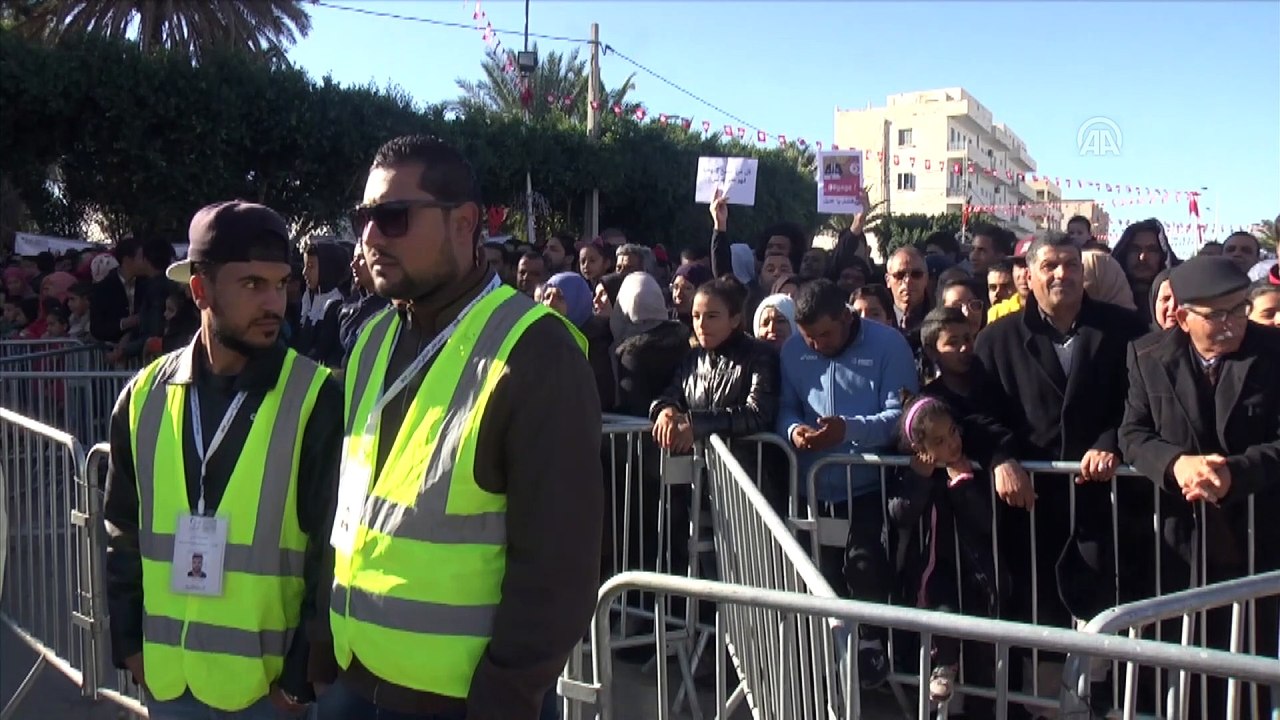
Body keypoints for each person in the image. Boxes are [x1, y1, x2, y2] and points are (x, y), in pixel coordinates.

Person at [316, 135, 602, 720]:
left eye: (393, 218)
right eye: (362, 218)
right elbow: (349, 507)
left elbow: (559, 566)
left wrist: (505, 698)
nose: (369, 237)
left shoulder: (537, 351)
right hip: (353, 683)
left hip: (465, 705)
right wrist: (324, 644)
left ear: (464, 224)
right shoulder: (371, 340)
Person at [102, 200, 342, 719]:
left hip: (268, 692)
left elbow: (332, 554)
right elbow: (123, 528)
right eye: (253, 284)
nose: (274, 302)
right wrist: (129, 647)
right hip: (168, 684)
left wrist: (300, 682)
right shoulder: (143, 395)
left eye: (281, 283)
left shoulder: (317, 398)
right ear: (200, 289)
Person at [1118, 255, 1279, 717]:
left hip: (1255, 536)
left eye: (1239, 310)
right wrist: (1175, 465)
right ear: (1183, 316)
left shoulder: (1273, 352)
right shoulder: (1148, 355)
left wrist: (1235, 473)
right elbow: (1133, 434)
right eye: (1216, 316)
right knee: (1179, 672)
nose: (1231, 325)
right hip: (1178, 540)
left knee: (1251, 668)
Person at [776, 278, 917, 688]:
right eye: (808, 338)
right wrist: (793, 431)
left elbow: (901, 417)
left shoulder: (890, 346)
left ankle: (871, 644)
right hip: (810, 487)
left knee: (867, 567)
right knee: (819, 579)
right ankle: (820, 669)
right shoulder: (792, 350)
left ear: (846, 316)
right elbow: (785, 407)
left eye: (825, 335)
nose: (816, 345)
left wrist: (848, 430)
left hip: (870, 486)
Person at [886, 394, 1006, 706]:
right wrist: (919, 480)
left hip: (974, 567)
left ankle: (986, 705)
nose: (952, 444)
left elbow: (985, 520)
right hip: (933, 566)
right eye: (939, 440)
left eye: (953, 432)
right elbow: (900, 513)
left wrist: (964, 483)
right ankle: (943, 667)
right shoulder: (914, 473)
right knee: (942, 613)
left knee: (980, 637)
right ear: (919, 449)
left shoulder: (970, 468)